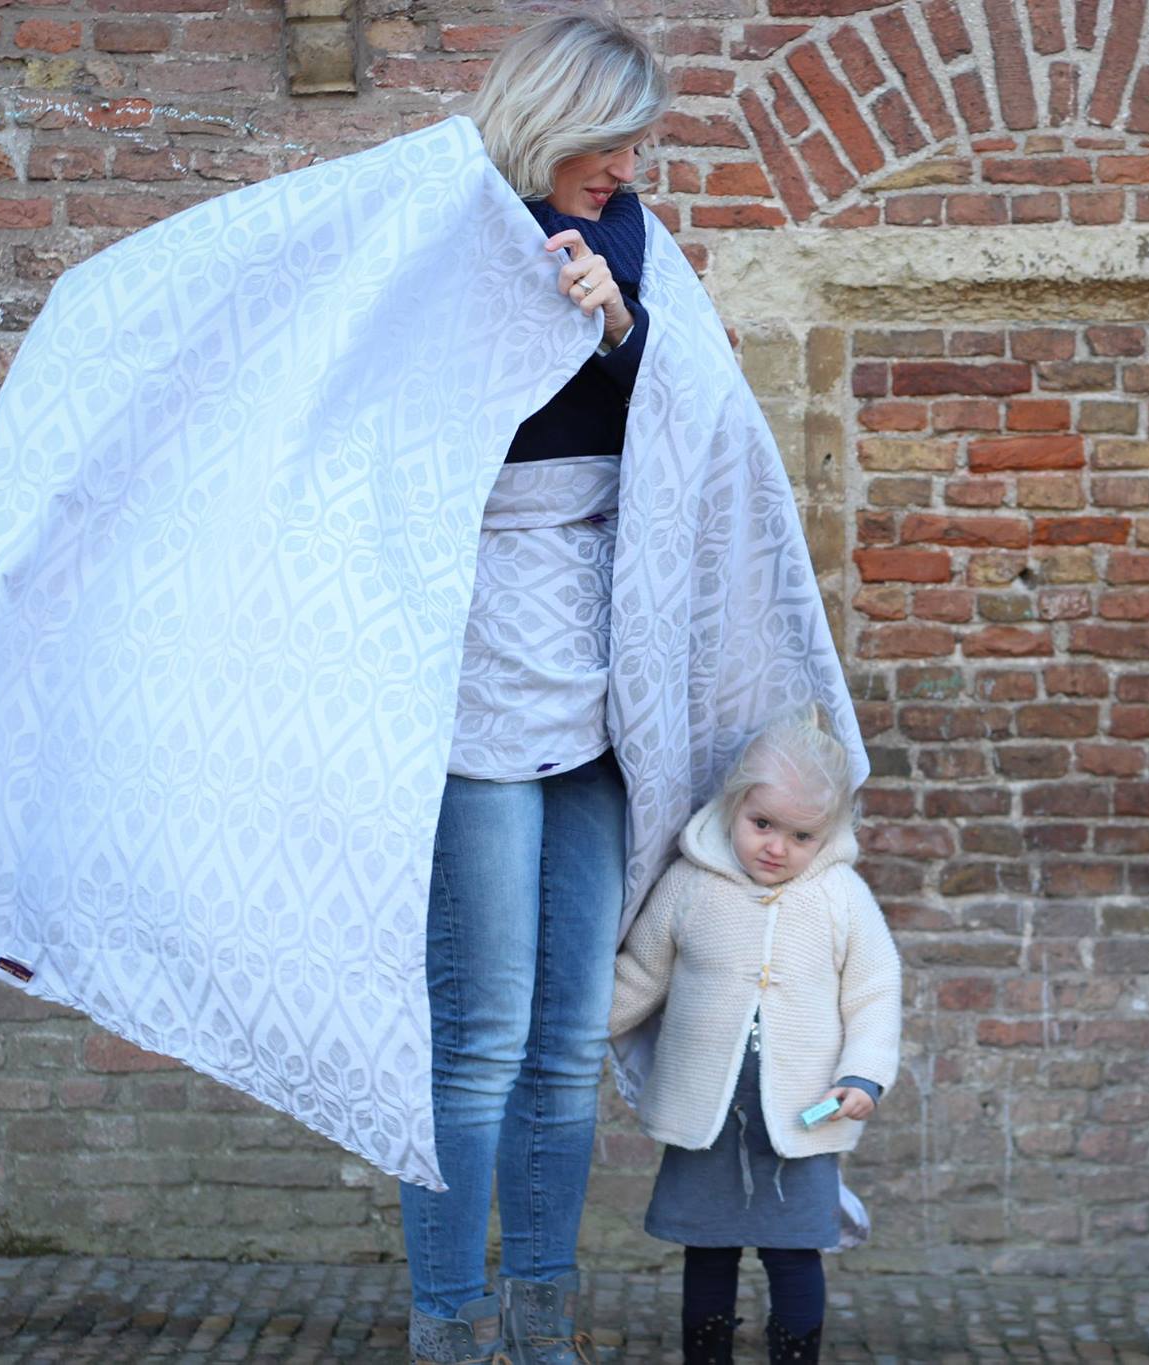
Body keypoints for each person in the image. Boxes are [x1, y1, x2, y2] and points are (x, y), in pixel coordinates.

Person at [405, 11, 669, 1365]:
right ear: (548, 120)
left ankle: (544, 1325)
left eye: (636, 143)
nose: (626, 165)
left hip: (596, 666)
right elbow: (392, 425)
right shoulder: (446, 233)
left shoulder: (629, 237)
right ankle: (451, 1327)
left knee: (566, 1039)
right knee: (480, 1036)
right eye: (608, 139)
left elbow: (681, 418)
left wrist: (616, 322)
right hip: (475, 666)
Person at [609, 713, 904, 1365]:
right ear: (733, 804)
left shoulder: (840, 895)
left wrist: (864, 1074)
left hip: (801, 1117)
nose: (776, 847)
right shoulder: (690, 884)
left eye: (801, 835)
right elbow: (642, 973)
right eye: (762, 823)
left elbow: (874, 991)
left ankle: (795, 1356)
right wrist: (575, 1031)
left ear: (829, 831)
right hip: (706, 1117)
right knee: (707, 1252)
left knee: (794, 1253)